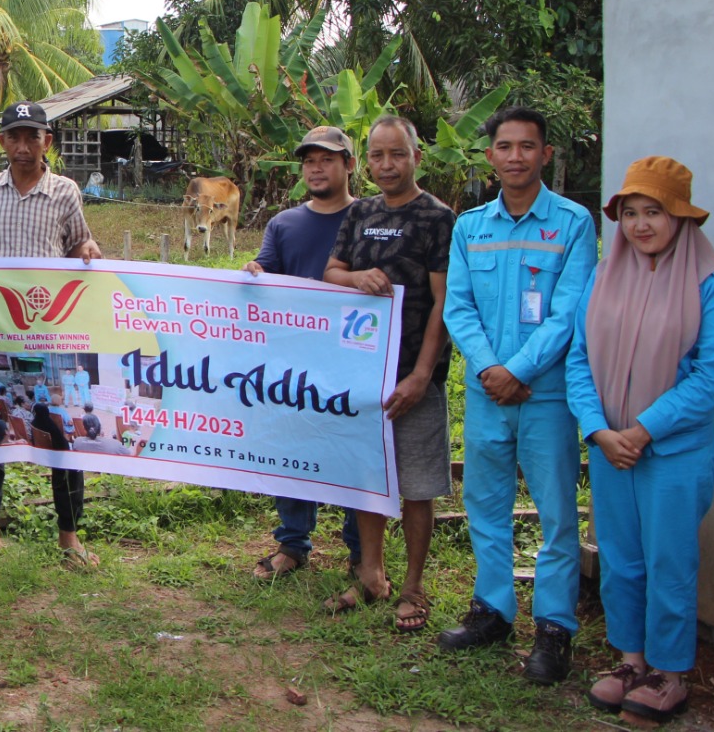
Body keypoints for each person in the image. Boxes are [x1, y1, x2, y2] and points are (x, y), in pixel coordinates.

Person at [565, 157, 714, 722]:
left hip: (672, 454)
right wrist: (599, 430)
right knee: (620, 559)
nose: (640, 226)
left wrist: (642, 430)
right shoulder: (603, 278)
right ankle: (631, 660)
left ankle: (669, 672)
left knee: (668, 561)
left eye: (654, 212)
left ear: (681, 219)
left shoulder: (711, 287)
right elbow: (580, 360)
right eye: (630, 214)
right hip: (611, 448)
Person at [439, 107, 597, 683]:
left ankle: (554, 629)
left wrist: (520, 370)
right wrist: (489, 370)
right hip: (488, 396)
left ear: (545, 155)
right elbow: (458, 307)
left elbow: (569, 311)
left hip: (547, 397)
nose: (515, 157)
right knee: (485, 505)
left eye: (527, 147)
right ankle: (493, 611)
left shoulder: (574, 224)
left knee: (557, 514)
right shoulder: (470, 227)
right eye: (504, 146)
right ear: (490, 156)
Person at [0, 101, 104, 567]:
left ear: (47, 143)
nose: (23, 147)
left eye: (32, 137)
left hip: (52, 332)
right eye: (14, 137)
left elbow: (80, 242)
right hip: (0, 331)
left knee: (59, 427)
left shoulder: (65, 192)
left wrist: (90, 248)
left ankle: (69, 535)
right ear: (2, 143)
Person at [323, 115, 455, 632]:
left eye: (396, 154)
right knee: (366, 482)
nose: (386, 165)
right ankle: (371, 576)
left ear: (416, 157)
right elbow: (331, 274)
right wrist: (356, 277)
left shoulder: (438, 217)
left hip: (413, 377)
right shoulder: (360, 214)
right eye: (376, 156)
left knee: (417, 487)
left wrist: (423, 374)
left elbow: (444, 303)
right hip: (363, 376)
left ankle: (414, 587)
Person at [243, 125, 365, 581]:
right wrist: (254, 270)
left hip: (352, 360)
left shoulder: (370, 219)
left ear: (349, 165)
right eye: (310, 161)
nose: (316, 168)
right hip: (293, 362)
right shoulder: (285, 223)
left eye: (327, 160)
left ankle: (360, 550)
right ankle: (292, 543)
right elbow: (266, 271)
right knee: (291, 450)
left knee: (354, 454)